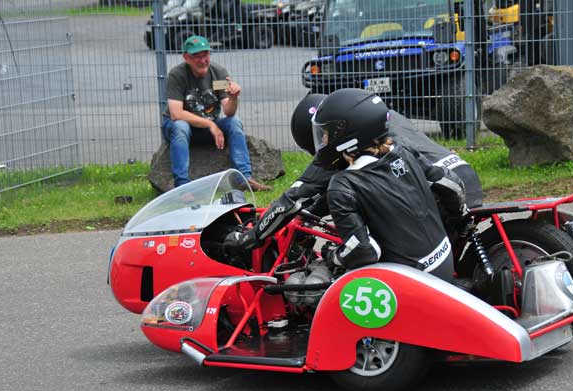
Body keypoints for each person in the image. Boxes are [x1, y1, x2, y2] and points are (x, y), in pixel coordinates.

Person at [225, 91, 479, 251]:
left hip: (440, 196)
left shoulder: (352, 140)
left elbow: (295, 196)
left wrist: (253, 235)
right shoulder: (379, 120)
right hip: (459, 176)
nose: (321, 144)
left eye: (322, 136)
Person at [314, 88, 466, 281]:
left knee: (330, 291)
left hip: (410, 284)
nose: (324, 140)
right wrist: (454, 220)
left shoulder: (343, 184)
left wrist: (333, 256)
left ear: (348, 134)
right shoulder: (403, 151)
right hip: (444, 261)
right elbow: (451, 185)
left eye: (327, 133)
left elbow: (364, 251)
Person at [161, 35, 271, 191]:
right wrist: (210, 124)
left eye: (205, 55)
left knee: (234, 122)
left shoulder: (218, 73)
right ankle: (182, 187)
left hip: (208, 126)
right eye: (196, 57)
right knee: (180, 126)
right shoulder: (177, 75)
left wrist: (233, 98)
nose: (202, 60)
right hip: (181, 127)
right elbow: (176, 113)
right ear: (186, 57)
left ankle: (244, 179)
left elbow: (228, 111)